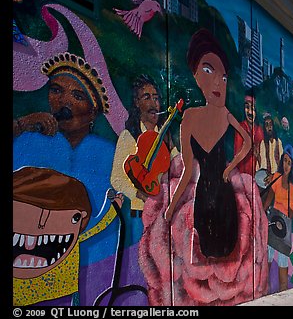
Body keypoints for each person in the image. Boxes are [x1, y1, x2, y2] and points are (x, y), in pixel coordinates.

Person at [164, 28, 252, 258]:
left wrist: (230, 167)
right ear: (195, 75)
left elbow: (248, 142)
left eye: (223, 77)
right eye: (207, 70)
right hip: (206, 197)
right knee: (208, 250)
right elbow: (186, 171)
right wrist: (171, 207)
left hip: (222, 197)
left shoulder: (223, 114)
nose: (218, 83)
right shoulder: (190, 117)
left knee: (223, 249)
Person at [13, 166, 123, 306]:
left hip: (62, 296)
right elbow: (96, 227)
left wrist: (114, 208)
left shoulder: (72, 238)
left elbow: (96, 228)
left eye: (75, 218)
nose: (41, 225)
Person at [111, 74, 178, 221]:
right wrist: (141, 195)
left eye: (156, 98)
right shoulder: (129, 136)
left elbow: (177, 171)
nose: (153, 104)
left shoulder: (164, 137)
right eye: (147, 98)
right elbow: (117, 179)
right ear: (137, 102)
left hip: (163, 214)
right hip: (139, 215)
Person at [262, 145, 293, 292]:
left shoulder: (292, 189)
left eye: (289, 163)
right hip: (272, 226)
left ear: (292, 166)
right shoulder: (276, 178)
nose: (286, 165)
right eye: (285, 161)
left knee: (283, 278)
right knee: (266, 270)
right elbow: (267, 202)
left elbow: (290, 215)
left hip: (284, 232)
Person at [234, 93, 264, 175]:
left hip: (257, 175)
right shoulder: (240, 128)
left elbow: (262, 155)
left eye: (253, 109)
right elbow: (237, 154)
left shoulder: (259, 130)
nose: (250, 112)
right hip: (242, 175)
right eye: (247, 107)